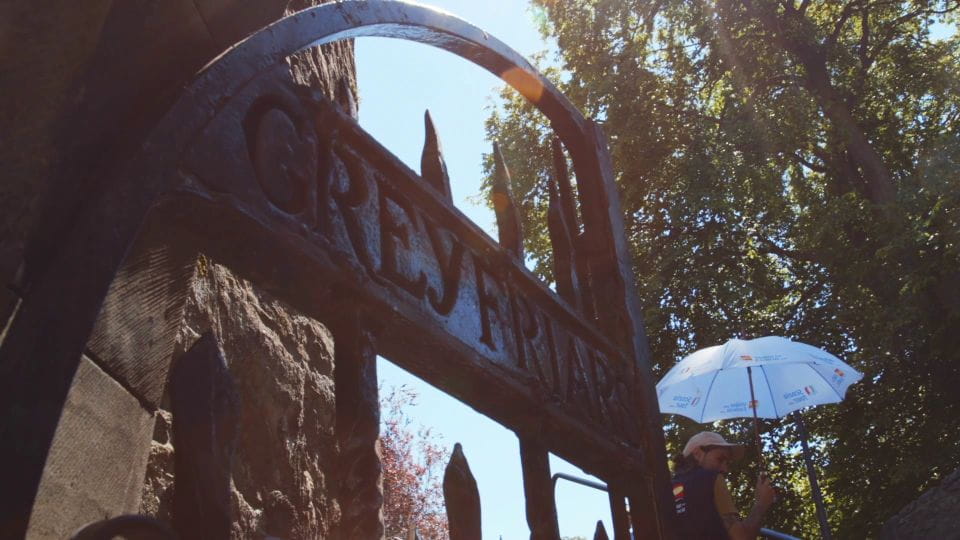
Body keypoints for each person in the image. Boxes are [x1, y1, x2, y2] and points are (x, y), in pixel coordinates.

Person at [671, 431, 777, 539]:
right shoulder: (711, 478)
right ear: (698, 454)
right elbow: (742, 537)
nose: (724, 469)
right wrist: (761, 503)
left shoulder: (667, 488)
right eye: (720, 459)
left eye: (727, 463)